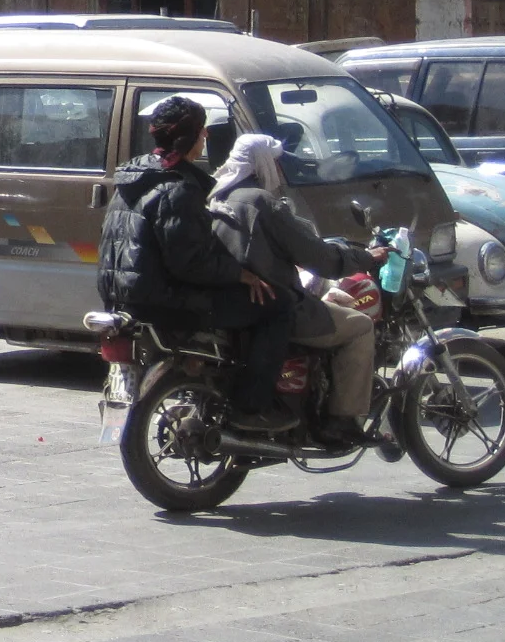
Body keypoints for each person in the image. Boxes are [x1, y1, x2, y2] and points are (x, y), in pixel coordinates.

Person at [97, 96, 293, 430]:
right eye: (202, 131)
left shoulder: (132, 178)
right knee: (278, 304)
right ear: (192, 137)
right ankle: (252, 407)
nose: (206, 137)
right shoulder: (177, 188)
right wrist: (241, 274)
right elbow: (191, 263)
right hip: (164, 301)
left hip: (122, 296)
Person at [207, 132, 385, 449]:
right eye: (275, 162)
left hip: (228, 302)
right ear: (263, 163)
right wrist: (365, 258)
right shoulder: (261, 202)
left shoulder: (215, 195)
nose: (279, 169)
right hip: (271, 304)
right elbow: (321, 259)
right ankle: (341, 421)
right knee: (360, 326)